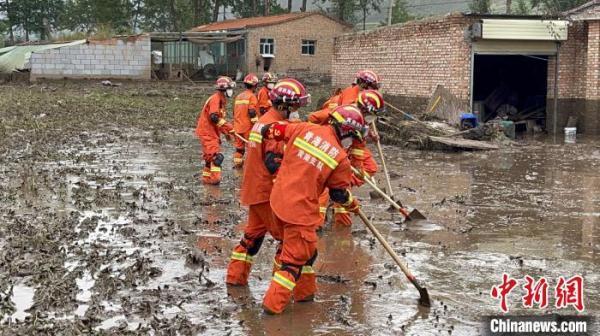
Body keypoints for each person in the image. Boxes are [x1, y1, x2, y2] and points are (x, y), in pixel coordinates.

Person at [260, 104, 368, 314]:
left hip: (277, 202)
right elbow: (339, 194)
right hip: (299, 213)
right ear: (346, 131)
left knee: (307, 252)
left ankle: (305, 296)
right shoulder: (340, 158)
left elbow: (269, 131)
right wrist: (353, 205)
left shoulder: (303, 128)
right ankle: (271, 311)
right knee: (292, 263)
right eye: (353, 137)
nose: (352, 143)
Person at [226, 78, 310, 286]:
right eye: (296, 106)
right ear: (284, 106)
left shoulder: (264, 122)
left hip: (255, 191)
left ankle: (235, 279)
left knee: (251, 240)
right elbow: (274, 164)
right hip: (267, 194)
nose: (298, 110)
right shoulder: (274, 127)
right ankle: (281, 289)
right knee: (288, 241)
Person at [311, 90, 385, 226]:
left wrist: (357, 169)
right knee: (326, 187)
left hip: (343, 150)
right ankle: (317, 224)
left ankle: (341, 204)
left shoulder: (361, 122)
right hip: (327, 148)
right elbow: (313, 119)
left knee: (363, 171)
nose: (372, 118)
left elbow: (358, 146)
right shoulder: (344, 112)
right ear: (364, 109)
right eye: (371, 115)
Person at [195, 76, 235, 185]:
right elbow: (214, 117)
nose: (231, 91)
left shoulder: (220, 100)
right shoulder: (216, 99)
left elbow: (218, 120)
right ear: (223, 89)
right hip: (208, 132)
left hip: (210, 132)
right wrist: (229, 127)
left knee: (209, 160)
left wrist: (227, 133)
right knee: (216, 158)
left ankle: (207, 182)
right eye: (229, 89)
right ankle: (215, 183)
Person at [232, 73, 259, 168]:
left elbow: (234, 112)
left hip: (237, 127)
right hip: (247, 127)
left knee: (239, 149)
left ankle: (238, 167)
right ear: (255, 85)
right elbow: (252, 112)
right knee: (251, 148)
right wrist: (257, 124)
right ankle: (251, 167)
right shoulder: (252, 96)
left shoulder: (239, 96)